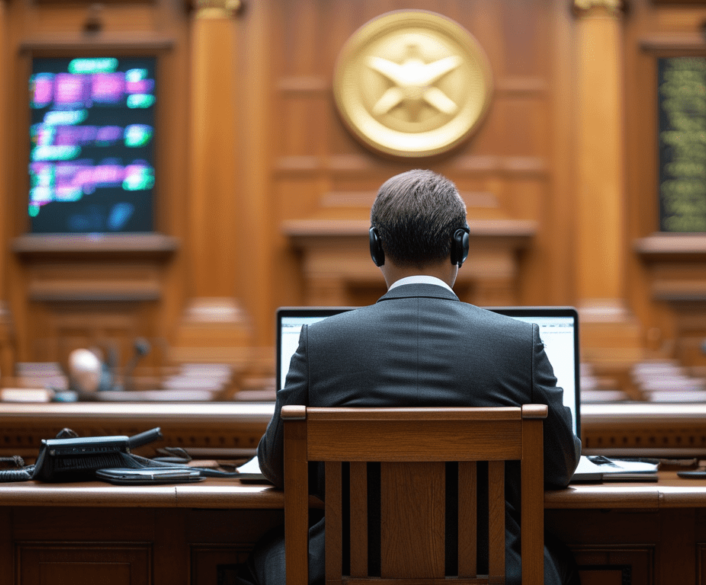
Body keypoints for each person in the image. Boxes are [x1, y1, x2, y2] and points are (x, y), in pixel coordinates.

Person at [240, 169, 581, 585]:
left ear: (375, 247)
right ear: (462, 245)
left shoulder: (322, 342)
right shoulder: (517, 342)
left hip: (341, 571)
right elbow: (560, 466)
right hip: (493, 572)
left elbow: (277, 466)